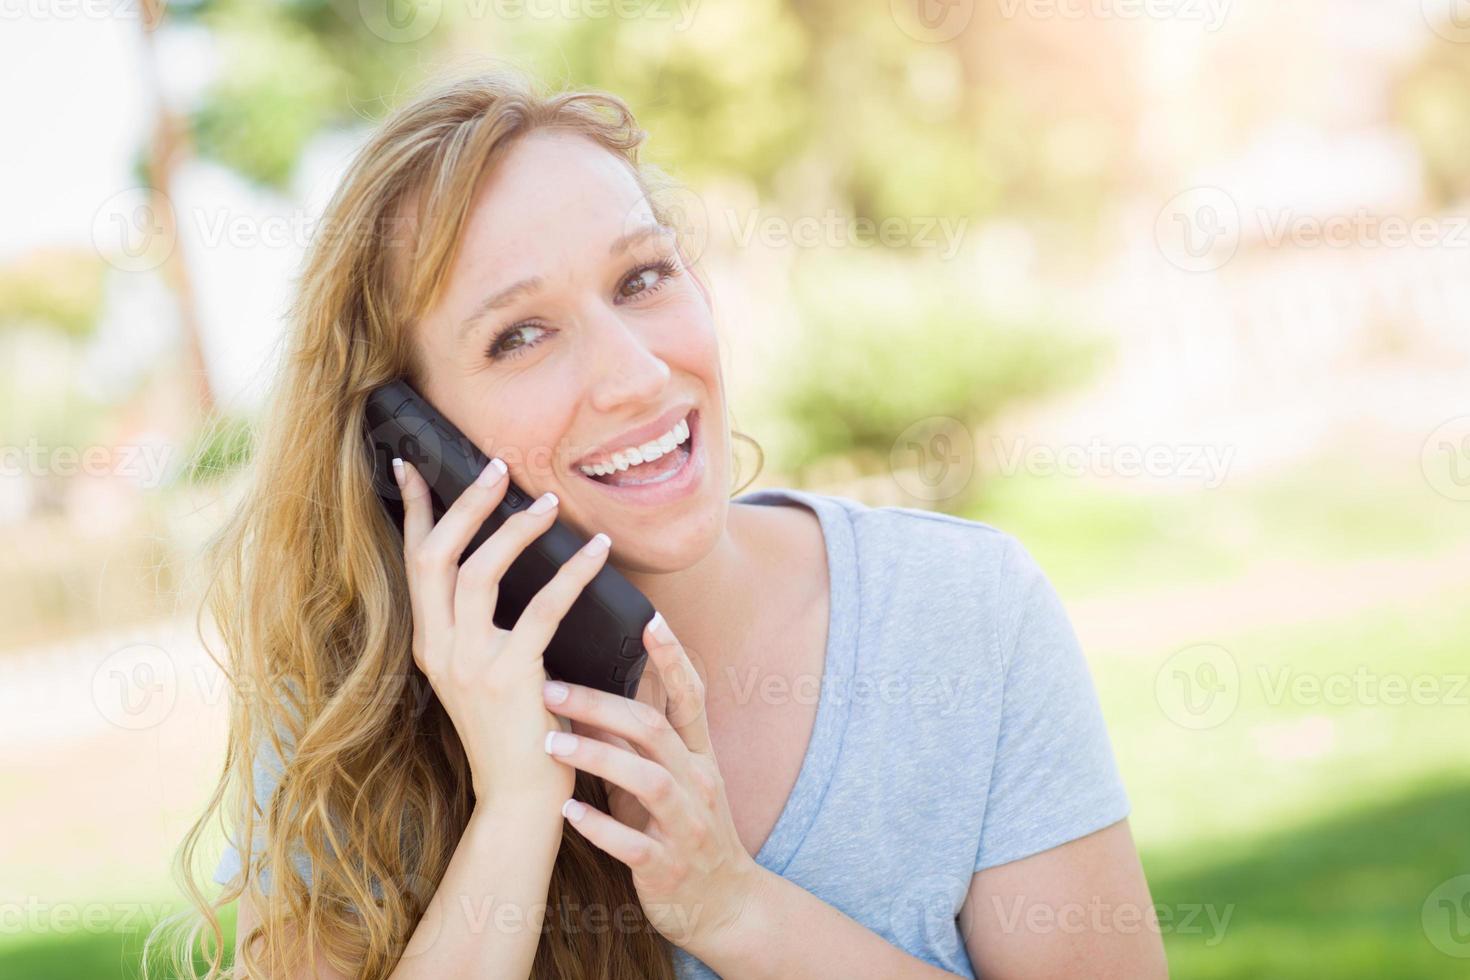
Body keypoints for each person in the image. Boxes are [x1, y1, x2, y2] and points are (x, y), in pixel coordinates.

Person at [153, 61, 1168, 980]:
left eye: (641, 278)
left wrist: (740, 912)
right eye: (520, 335)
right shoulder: (349, 717)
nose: (637, 374)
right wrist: (515, 806)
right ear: (408, 440)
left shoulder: (964, 614)